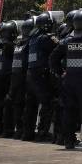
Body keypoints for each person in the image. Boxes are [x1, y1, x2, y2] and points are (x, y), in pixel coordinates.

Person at [49, 7, 82, 150]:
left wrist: (61, 72)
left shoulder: (66, 41)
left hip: (68, 83)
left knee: (69, 111)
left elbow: (53, 59)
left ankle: (69, 141)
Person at [24, 12, 61, 142]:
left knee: (31, 105)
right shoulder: (47, 38)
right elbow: (60, 48)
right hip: (42, 75)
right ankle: (42, 132)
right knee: (48, 103)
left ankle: (27, 133)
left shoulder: (32, 38)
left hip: (30, 75)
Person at [4, 19, 31, 138]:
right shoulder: (26, 44)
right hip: (22, 78)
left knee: (15, 104)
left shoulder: (17, 45)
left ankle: (14, 130)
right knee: (21, 105)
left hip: (14, 78)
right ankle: (21, 130)